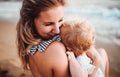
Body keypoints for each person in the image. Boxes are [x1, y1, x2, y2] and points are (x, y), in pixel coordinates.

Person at [16, 0, 87, 77]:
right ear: (30, 23)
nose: (57, 30)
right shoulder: (56, 50)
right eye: (48, 24)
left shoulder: (31, 49)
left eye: (60, 20)